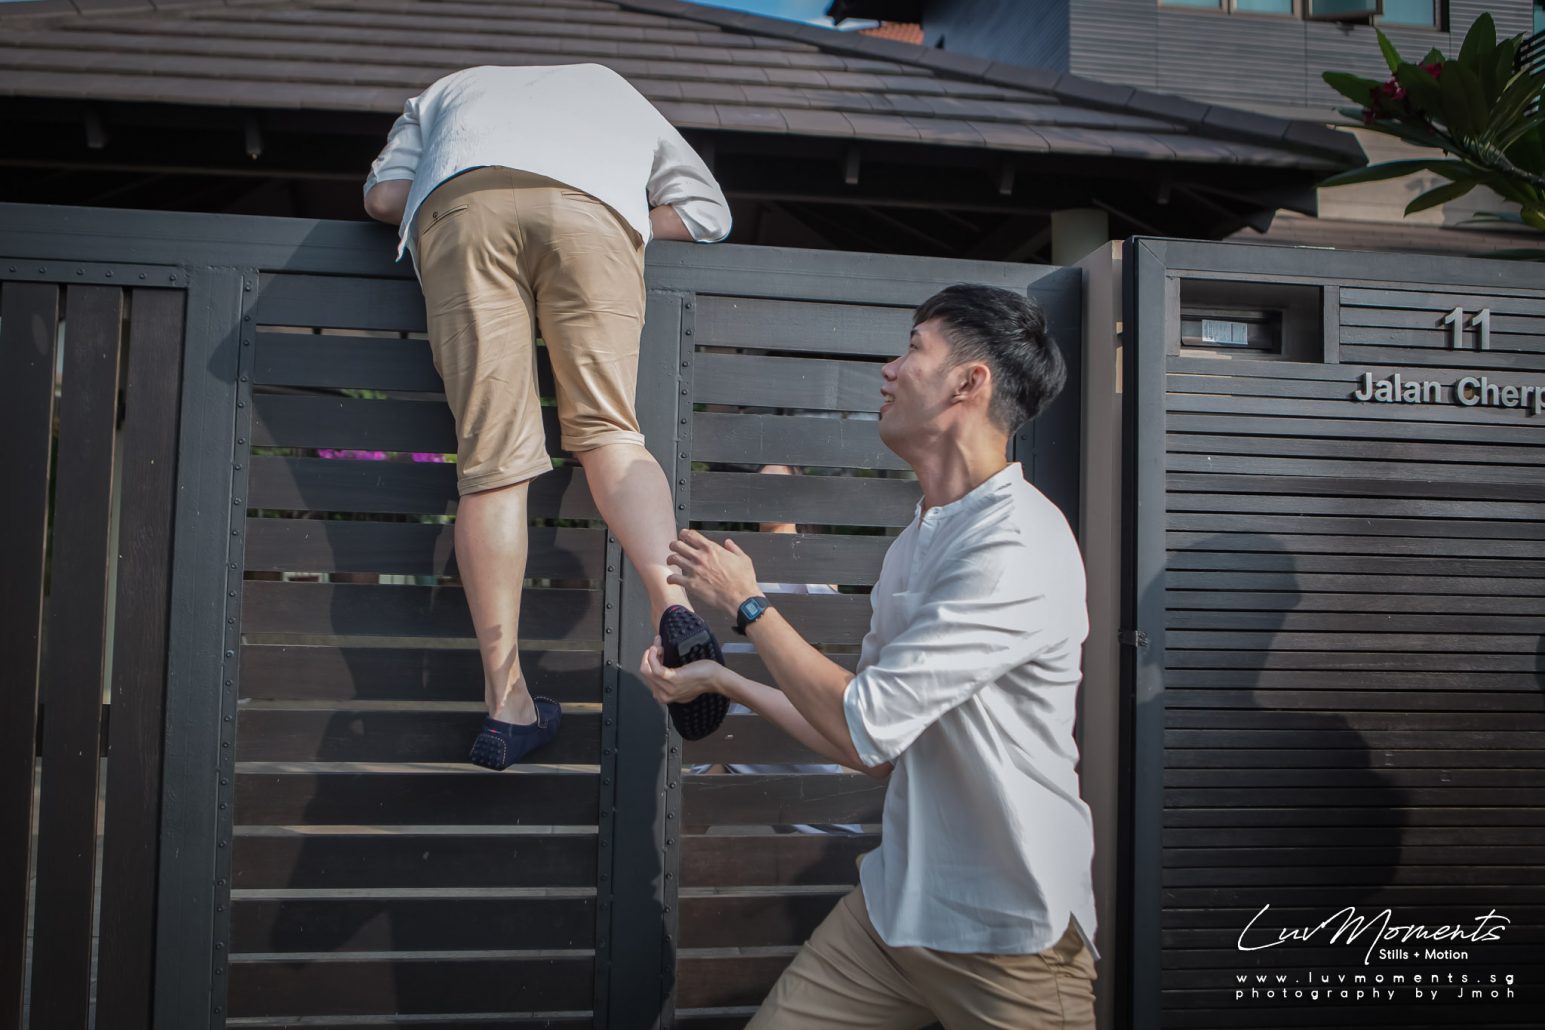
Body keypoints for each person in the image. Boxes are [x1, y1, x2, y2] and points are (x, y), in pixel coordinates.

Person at [640, 284, 1098, 1028]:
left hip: (1009, 935)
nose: (889, 370)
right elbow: (867, 749)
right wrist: (722, 677)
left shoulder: (1016, 544)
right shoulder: (918, 539)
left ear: (968, 382)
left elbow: (864, 723)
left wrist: (749, 606)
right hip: (894, 916)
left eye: (913, 349)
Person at [362, 64, 735, 769]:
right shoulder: (609, 84)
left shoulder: (445, 89)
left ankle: (507, 705)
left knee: (493, 467)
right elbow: (705, 213)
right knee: (610, 434)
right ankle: (670, 603)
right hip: (593, 212)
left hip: (460, 209)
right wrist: (622, 217)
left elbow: (383, 196)